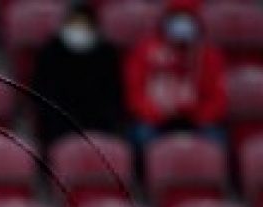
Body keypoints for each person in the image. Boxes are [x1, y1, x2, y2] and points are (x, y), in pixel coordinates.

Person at [125, 0, 227, 153]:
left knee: (217, 140)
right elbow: (135, 91)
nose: (182, 23)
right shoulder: (145, 51)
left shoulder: (209, 55)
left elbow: (218, 96)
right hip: (157, 118)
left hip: (196, 119)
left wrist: (198, 117)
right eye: (177, 17)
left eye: (187, 17)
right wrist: (157, 113)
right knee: (141, 136)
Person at [31, 2, 125, 150]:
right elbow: (41, 90)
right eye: (75, 23)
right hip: (59, 121)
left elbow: (114, 92)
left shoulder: (106, 52)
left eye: (84, 24)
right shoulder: (51, 51)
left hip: (99, 121)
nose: (79, 28)